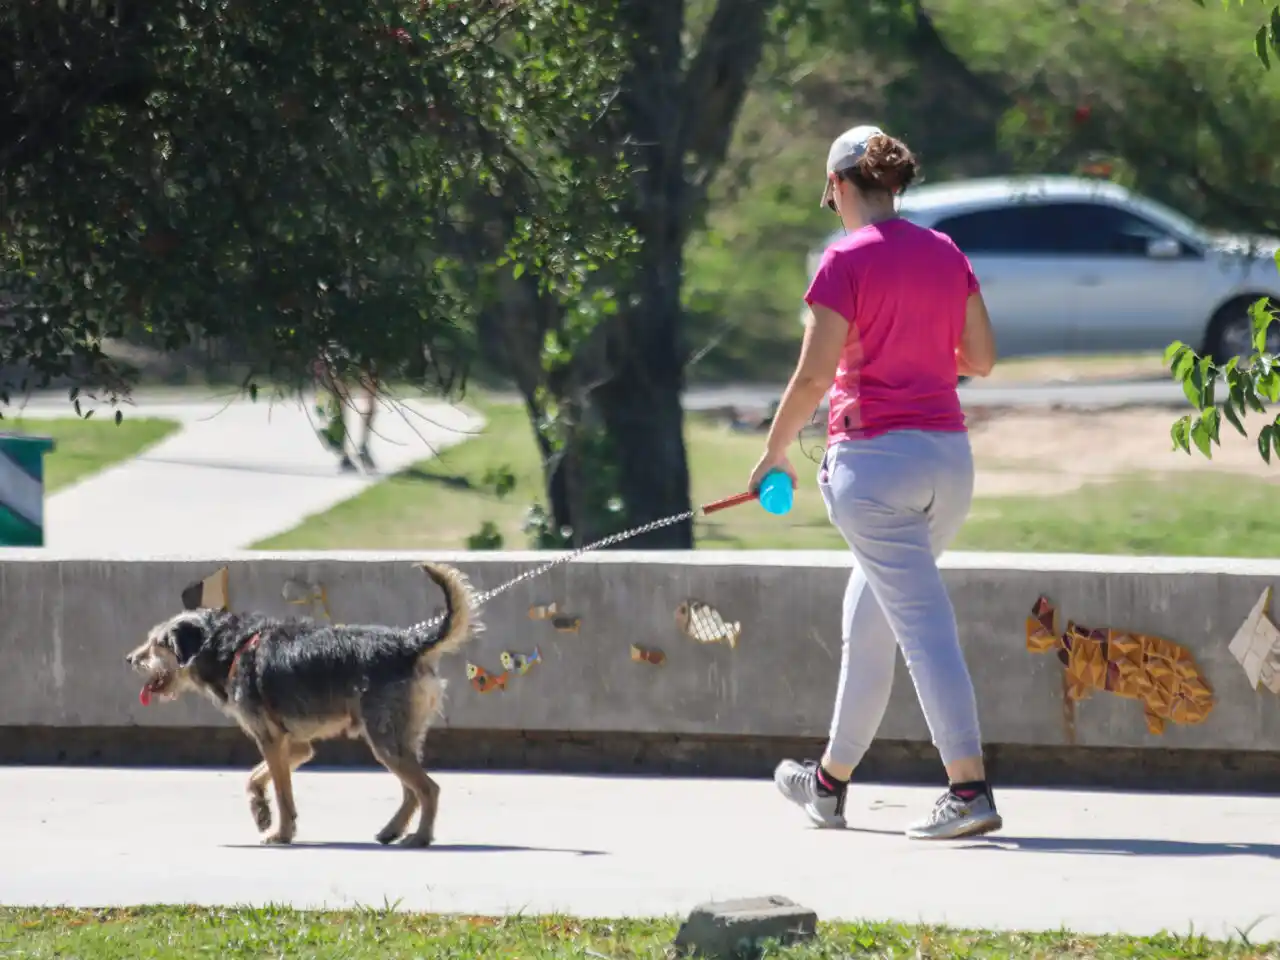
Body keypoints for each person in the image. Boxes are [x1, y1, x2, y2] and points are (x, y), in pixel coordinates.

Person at [747, 124, 1001, 840]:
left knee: (922, 631)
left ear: (839, 187)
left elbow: (812, 376)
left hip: (874, 469)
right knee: (873, 621)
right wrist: (919, 337)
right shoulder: (946, 252)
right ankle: (827, 785)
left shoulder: (843, 260)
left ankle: (969, 789)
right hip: (949, 464)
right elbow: (979, 358)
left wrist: (773, 452)